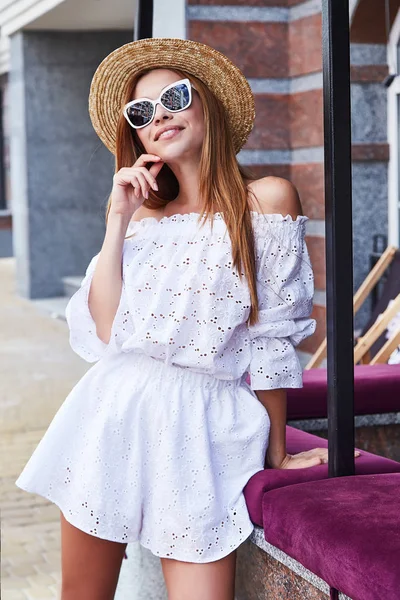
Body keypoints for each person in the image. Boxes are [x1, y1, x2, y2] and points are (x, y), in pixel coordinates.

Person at [15, 38, 360, 600]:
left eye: (174, 96)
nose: (160, 116)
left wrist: (276, 450)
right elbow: (106, 332)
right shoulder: (140, 219)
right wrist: (117, 217)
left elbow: (272, 338)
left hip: (205, 424)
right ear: (137, 136)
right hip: (110, 412)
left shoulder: (266, 201)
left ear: (208, 105)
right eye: (142, 112)